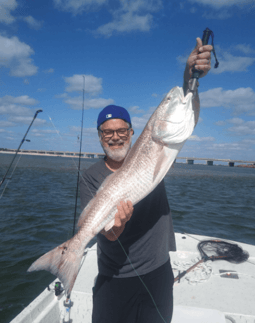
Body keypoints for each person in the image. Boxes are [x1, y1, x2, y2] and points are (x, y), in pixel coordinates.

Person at [80, 38, 212, 323]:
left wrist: (191, 79)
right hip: (114, 276)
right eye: (107, 132)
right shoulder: (91, 176)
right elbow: (108, 235)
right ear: (100, 137)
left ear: (132, 132)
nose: (115, 136)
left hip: (158, 271)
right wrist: (117, 226)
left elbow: (189, 117)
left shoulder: (157, 148)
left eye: (122, 130)